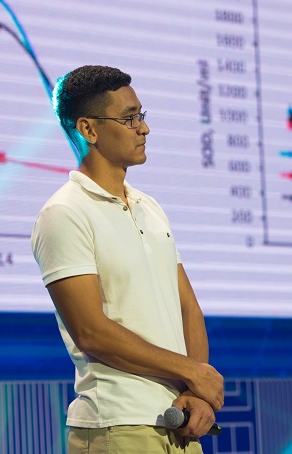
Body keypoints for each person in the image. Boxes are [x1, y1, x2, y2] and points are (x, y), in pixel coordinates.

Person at [31, 65, 224, 453]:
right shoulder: (64, 213)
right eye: (129, 118)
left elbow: (188, 308)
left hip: (181, 422)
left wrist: (196, 391)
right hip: (117, 426)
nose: (144, 129)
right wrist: (192, 371)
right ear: (89, 129)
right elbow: (91, 331)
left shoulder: (149, 207)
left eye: (141, 115)